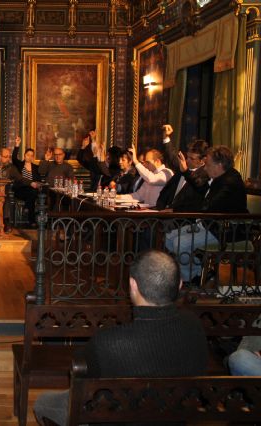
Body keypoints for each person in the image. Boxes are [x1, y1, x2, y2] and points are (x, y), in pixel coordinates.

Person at [33, 250, 208, 426]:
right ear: (179, 285)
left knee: (43, 403)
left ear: (133, 285)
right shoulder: (194, 325)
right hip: (171, 416)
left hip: (115, 416)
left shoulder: (109, 342)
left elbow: (83, 374)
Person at [165, 146, 248, 284]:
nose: (205, 168)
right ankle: (198, 272)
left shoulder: (230, 182)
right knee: (168, 238)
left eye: (207, 164)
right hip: (210, 224)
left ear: (219, 165)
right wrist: (186, 172)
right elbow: (202, 190)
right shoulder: (220, 176)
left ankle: (191, 279)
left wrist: (180, 210)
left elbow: (209, 205)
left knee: (180, 243)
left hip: (225, 230)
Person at [155, 139, 209, 212]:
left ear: (203, 160)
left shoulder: (205, 174)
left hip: (183, 216)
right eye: (187, 157)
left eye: (192, 159)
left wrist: (186, 171)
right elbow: (172, 156)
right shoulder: (182, 169)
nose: (187, 160)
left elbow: (195, 202)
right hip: (165, 212)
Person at [11, 136, 40, 228]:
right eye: (28, 155)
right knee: (32, 195)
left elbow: (38, 180)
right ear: (24, 155)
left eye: (32, 155)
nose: (30, 157)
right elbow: (14, 158)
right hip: (20, 189)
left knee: (32, 193)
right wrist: (17, 144)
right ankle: (31, 221)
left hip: (31, 190)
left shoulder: (35, 167)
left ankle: (27, 209)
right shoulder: (20, 164)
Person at [50, 83, 86, 150]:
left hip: (71, 128)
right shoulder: (56, 103)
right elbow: (54, 117)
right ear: (61, 91)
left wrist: (75, 123)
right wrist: (55, 130)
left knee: (69, 148)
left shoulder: (74, 103)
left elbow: (78, 115)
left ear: (71, 92)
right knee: (60, 148)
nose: (67, 91)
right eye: (65, 90)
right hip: (61, 128)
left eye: (68, 90)